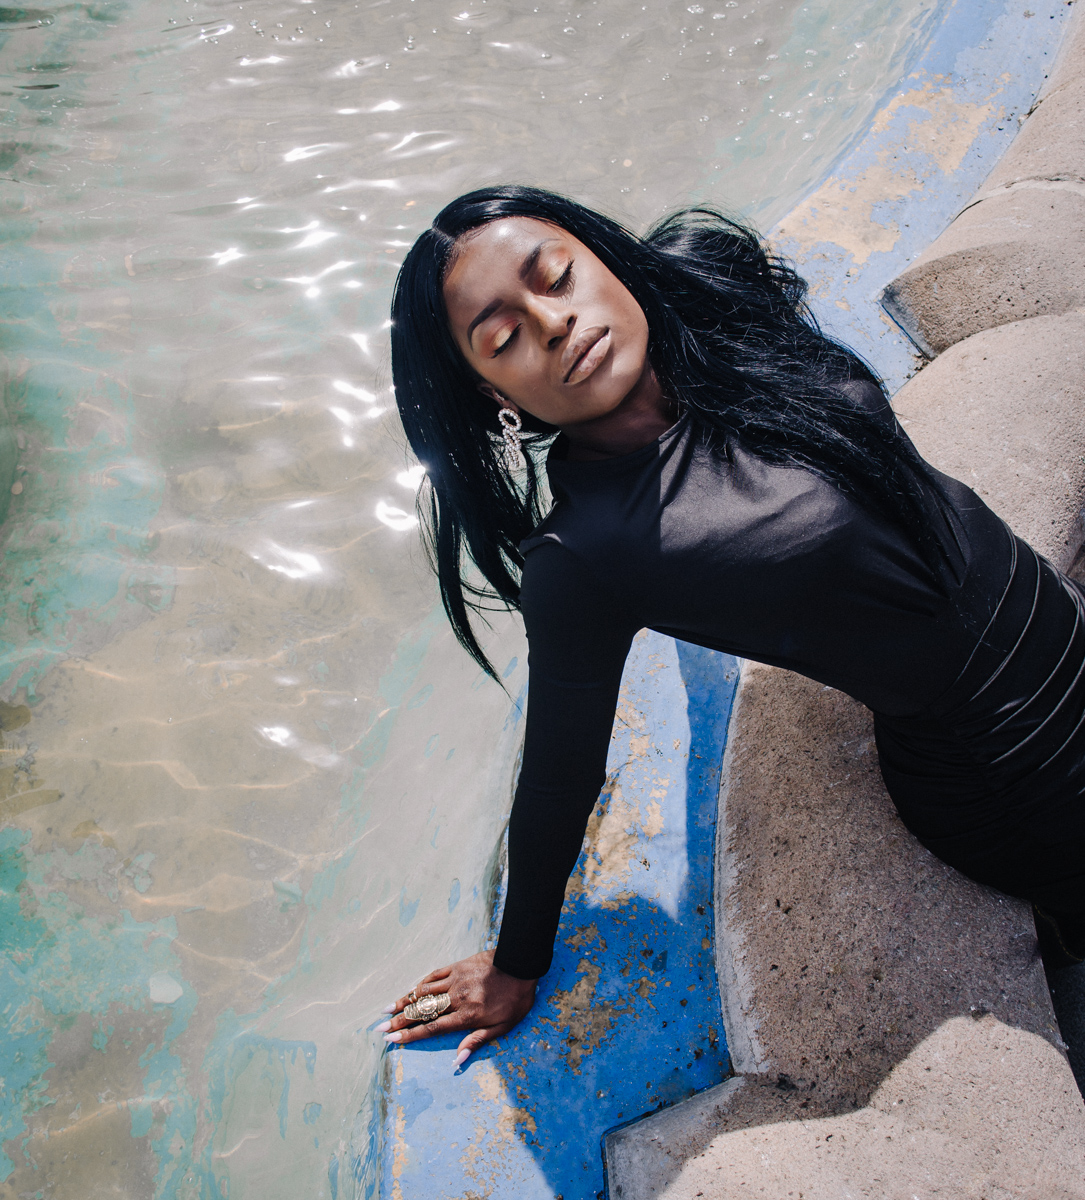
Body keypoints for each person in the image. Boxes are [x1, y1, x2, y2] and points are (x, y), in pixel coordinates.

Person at [374, 184, 1085, 1068]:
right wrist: (516, 966)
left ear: (602, 258)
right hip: (1013, 772)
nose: (552, 323)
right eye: (504, 336)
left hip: (1058, 618)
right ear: (492, 399)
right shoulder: (584, 554)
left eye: (554, 276)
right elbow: (560, 775)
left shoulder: (713, 304)